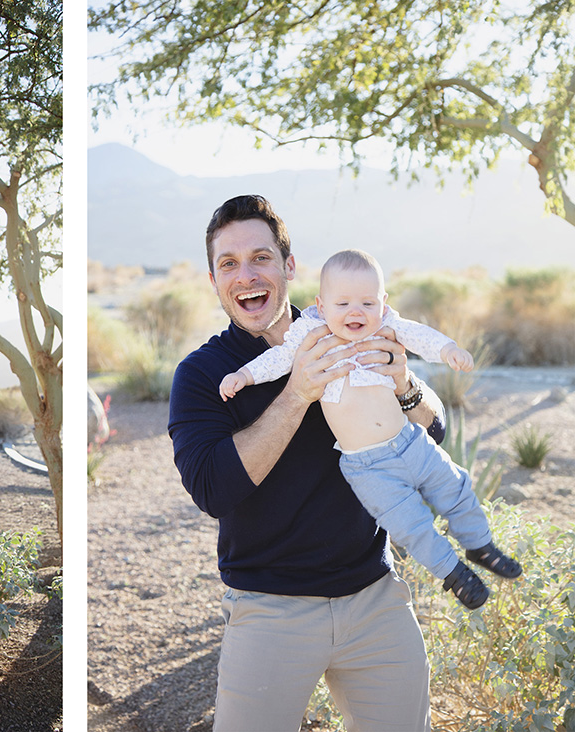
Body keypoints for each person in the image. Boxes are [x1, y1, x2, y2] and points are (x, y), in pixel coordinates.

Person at [168, 194, 443, 730]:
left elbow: (435, 433)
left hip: (375, 600)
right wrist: (296, 394)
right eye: (229, 263)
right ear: (214, 280)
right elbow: (211, 490)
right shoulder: (203, 374)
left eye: (261, 258)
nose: (246, 274)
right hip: (268, 609)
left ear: (289, 266)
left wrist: (405, 386)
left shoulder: (346, 324)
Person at [218, 248, 521, 609]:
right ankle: (454, 573)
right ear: (322, 304)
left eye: (367, 302)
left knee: (454, 485)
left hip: (411, 443)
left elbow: (420, 336)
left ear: (383, 302)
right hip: (368, 466)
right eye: (342, 303)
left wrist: (448, 349)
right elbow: (279, 358)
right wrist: (245, 375)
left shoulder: (387, 325)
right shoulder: (312, 334)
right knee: (411, 523)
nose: (355, 312)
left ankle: (480, 543)